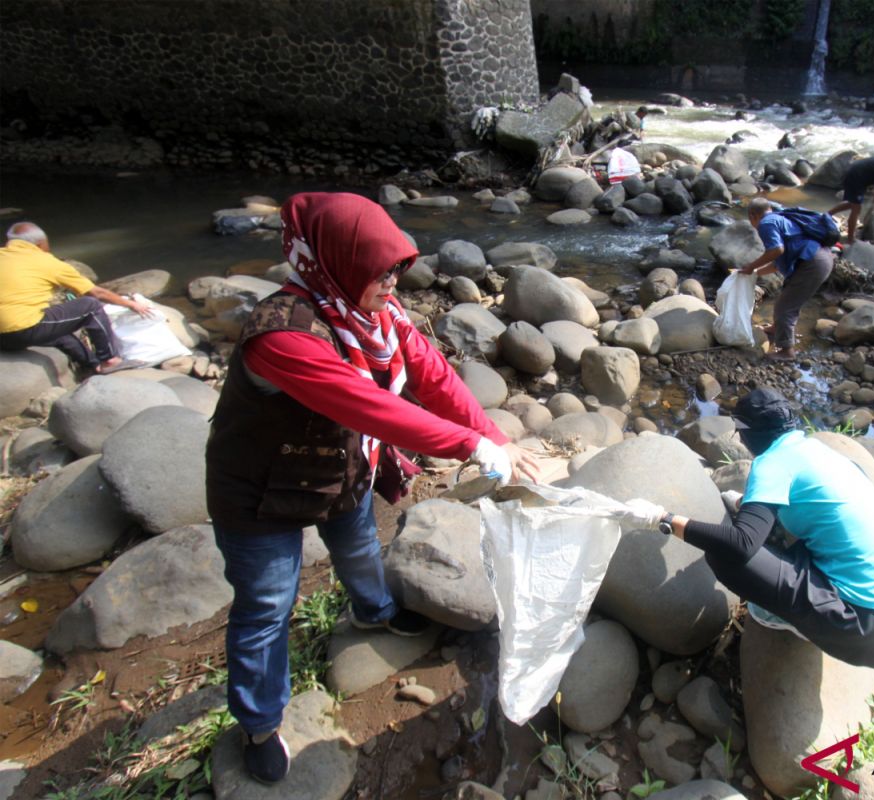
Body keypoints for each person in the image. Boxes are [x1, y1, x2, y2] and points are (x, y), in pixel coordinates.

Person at [205, 192, 539, 785]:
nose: (392, 282)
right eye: (378, 270)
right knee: (266, 604)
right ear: (334, 263)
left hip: (340, 469)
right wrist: (470, 446)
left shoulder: (378, 318)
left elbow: (433, 375)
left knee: (359, 546)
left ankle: (374, 611)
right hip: (258, 488)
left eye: (397, 269)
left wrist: (492, 434)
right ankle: (258, 722)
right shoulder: (282, 334)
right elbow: (370, 407)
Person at [641, 388, 874, 668]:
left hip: (864, 621)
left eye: (740, 433)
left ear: (748, 434)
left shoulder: (771, 464)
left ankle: (789, 619)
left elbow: (741, 543)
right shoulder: (815, 449)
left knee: (724, 556)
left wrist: (668, 519)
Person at [0, 222, 153, 372]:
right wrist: (131, 304)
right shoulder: (47, 262)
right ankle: (110, 360)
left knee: (59, 332)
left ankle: (92, 366)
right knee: (90, 306)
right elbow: (96, 293)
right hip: (23, 330)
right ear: (40, 244)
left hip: (4, 339)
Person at [739, 198, 840, 360]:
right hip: (820, 258)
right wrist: (754, 272)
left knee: (785, 306)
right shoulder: (780, 218)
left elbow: (776, 250)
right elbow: (777, 264)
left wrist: (751, 266)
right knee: (789, 297)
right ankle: (776, 328)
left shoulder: (766, 224)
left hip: (812, 263)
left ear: (752, 216)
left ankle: (787, 351)